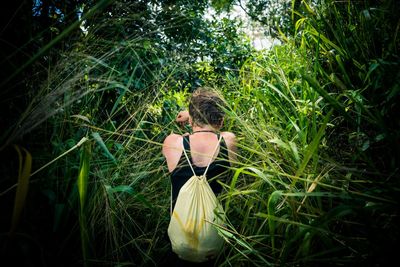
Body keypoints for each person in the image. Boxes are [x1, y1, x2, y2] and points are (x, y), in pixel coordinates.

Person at [161, 87, 237, 266]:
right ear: (222, 119)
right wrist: (195, 114)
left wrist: (192, 115)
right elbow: (220, 132)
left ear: (192, 118)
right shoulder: (228, 141)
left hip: (180, 239)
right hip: (214, 240)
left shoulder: (173, 142)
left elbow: (192, 130)